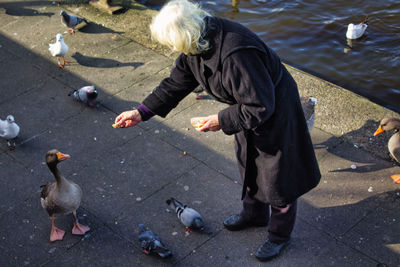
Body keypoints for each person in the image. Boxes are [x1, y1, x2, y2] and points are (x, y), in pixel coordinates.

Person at [114, 0, 321, 261]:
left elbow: (260, 105)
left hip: (275, 114)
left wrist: (220, 120)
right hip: (246, 108)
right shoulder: (196, 44)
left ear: (185, 35)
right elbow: (175, 84)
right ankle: (254, 215)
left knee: (279, 179)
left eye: (170, 41)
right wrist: (142, 112)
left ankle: (279, 235)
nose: (169, 47)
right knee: (249, 163)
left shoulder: (236, 54)